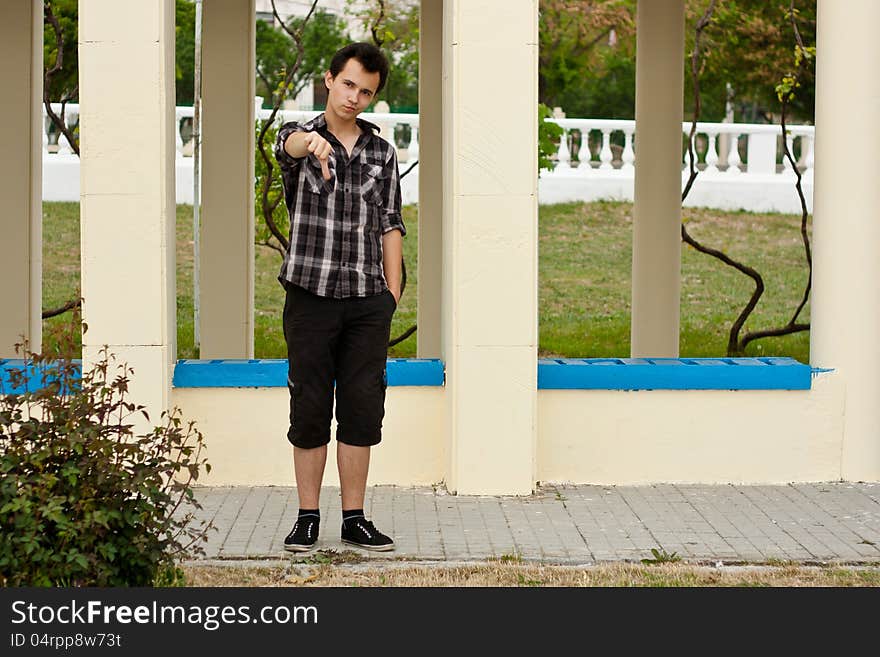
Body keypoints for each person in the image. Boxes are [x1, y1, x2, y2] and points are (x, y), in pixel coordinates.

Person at [273, 43, 404, 552]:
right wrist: (313, 144)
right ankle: (308, 516)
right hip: (310, 295)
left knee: (361, 408)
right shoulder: (301, 137)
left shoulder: (381, 153)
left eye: (365, 91)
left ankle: (354, 518)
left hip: (367, 299)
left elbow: (391, 222)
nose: (354, 97)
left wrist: (391, 293)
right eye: (348, 84)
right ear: (329, 80)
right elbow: (289, 144)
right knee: (308, 406)